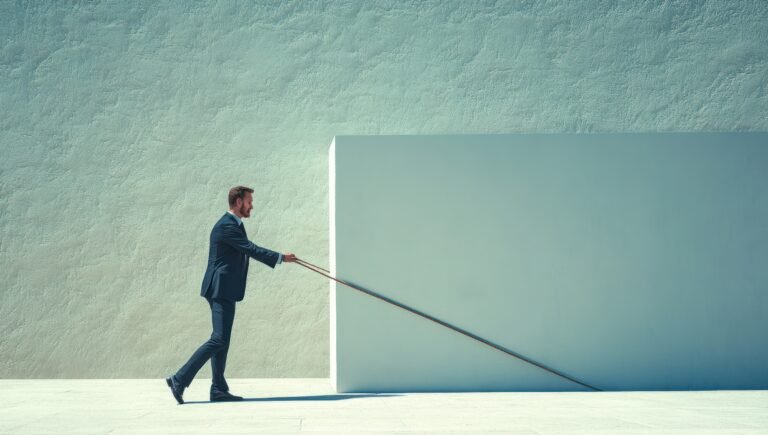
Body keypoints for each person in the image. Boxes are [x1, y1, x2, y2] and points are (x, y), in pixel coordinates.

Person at [166, 186, 296, 404]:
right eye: (248, 201)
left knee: (222, 340)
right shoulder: (226, 226)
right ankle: (179, 379)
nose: (251, 205)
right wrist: (281, 257)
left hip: (225, 288)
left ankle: (218, 389)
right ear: (238, 202)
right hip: (220, 288)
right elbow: (250, 249)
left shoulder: (234, 225)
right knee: (219, 339)